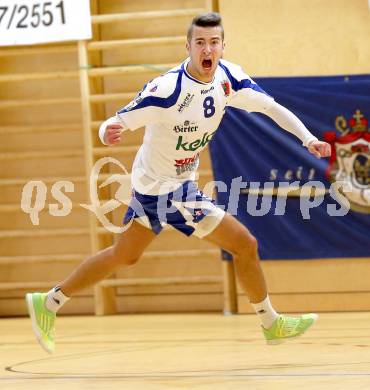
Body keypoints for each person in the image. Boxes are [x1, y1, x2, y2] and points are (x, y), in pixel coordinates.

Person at [26, 12, 331, 354]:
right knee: (244, 244)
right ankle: (270, 322)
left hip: (161, 184)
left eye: (214, 42)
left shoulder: (229, 79)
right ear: (188, 47)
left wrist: (308, 139)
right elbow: (117, 119)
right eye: (200, 42)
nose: (207, 49)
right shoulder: (167, 89)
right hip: (166, 190)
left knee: (124, 255)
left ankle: (48, 302)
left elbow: (271, 108)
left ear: (222, 47)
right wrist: (106, 131)